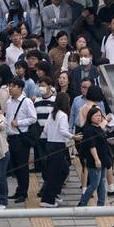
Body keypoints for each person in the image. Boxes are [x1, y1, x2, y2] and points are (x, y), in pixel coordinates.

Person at [35, 77, 72, 207]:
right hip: (57, 146)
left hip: (50, 144)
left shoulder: (53, 114)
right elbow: (63, 131)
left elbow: (45, 130)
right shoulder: (62, 115)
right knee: (56, 173)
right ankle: (47, 200)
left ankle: (54, 194)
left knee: (63, 170)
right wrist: (73, 137)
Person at [3, 78, 37, 204]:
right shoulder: (9, 102)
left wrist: (19, 123)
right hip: (11, 137)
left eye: (12, 86)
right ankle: (18, 189)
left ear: (19, 88)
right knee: (16, 165)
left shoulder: (26, 101)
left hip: (21, 138)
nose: (10, 88)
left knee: (22, 166)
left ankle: (23, 192)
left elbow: (33, 118)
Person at [76, 105, 112, 207]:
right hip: (95, 161)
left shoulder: (98, 128)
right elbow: (92, 146)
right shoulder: (89, 130)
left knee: (102, 183)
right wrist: (96, 159)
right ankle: (83, 203)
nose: (99, 117)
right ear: (90, 117)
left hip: (103, 159)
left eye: (100, 116)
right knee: (94, 184)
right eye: (96, 116)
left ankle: (101, 204)